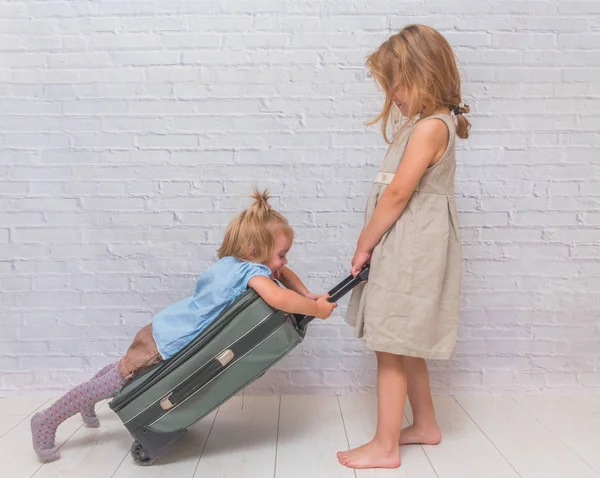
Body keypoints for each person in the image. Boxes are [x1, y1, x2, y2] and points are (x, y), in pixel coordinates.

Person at [31, 189, 337, 461]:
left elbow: (282, 274)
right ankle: (48, 420)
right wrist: (315, 309)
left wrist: (306, 292)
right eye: (281, 254)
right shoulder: (252, 275)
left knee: (122, 370)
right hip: (163, 345)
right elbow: (278, 298)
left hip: (162, 331)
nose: (284, 261)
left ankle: (89, 400)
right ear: (256, 252)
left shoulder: (236, 264)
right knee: (117, 381)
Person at [338, 24, 471, 469]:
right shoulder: (429, 124)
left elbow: (398, 194)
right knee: (405, 340)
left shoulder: (431, 128)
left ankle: (385, 444)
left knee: (391, 343)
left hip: (410, 248)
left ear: (422, 75)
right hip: (409, 245)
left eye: (395, 85)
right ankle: (426, 424)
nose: (391, 97)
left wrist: (363, 244)